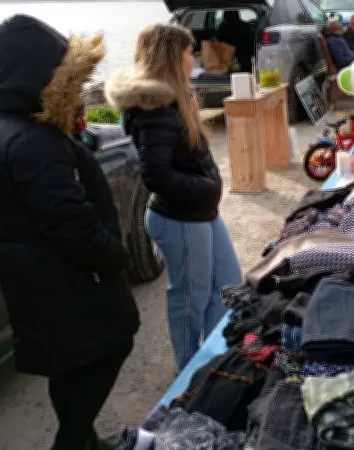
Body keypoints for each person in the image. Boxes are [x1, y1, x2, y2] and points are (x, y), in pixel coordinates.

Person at [0, 14, 139, 450]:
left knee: (68, 363)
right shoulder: (31, 140)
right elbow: (68, 219)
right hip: (61, 277)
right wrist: (113, 256)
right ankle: (71, 441)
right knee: (113, 343)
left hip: (34, 275)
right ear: (39, 76)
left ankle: (82, 439)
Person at [105, 23, 242, 371]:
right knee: (189, 299)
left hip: (201, 213)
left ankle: (214, 357)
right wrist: (205, 189)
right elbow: (156, 175)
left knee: (227, 284)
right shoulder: (155, 108)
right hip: (180, 218)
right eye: (186, 51)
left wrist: (205, 192)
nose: (191, 57)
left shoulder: (174, 98)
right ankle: (189, 368)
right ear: (170, 56)